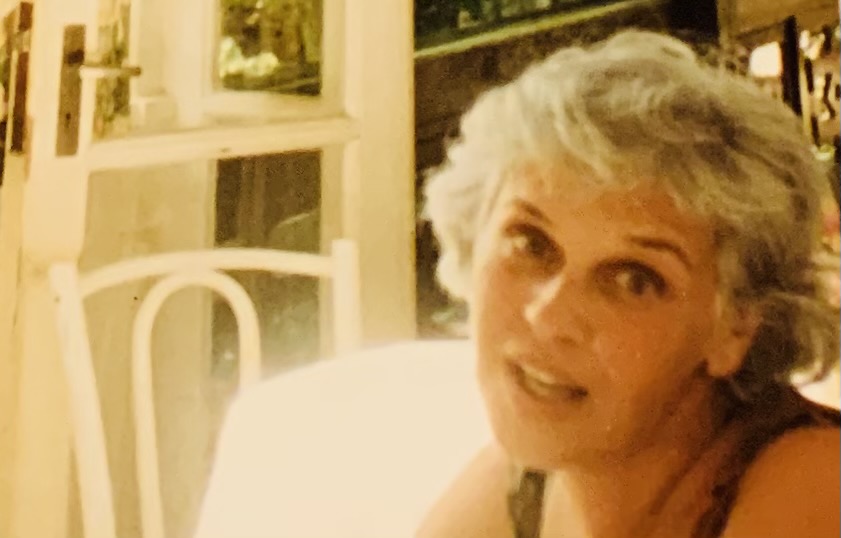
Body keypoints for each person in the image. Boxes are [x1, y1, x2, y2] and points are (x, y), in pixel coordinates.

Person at [417, 30, 840, 538]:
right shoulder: (527, 478)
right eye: (531, 243)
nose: (549, 316)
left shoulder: (814, 488)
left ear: (736, 326)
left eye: (633, 280)